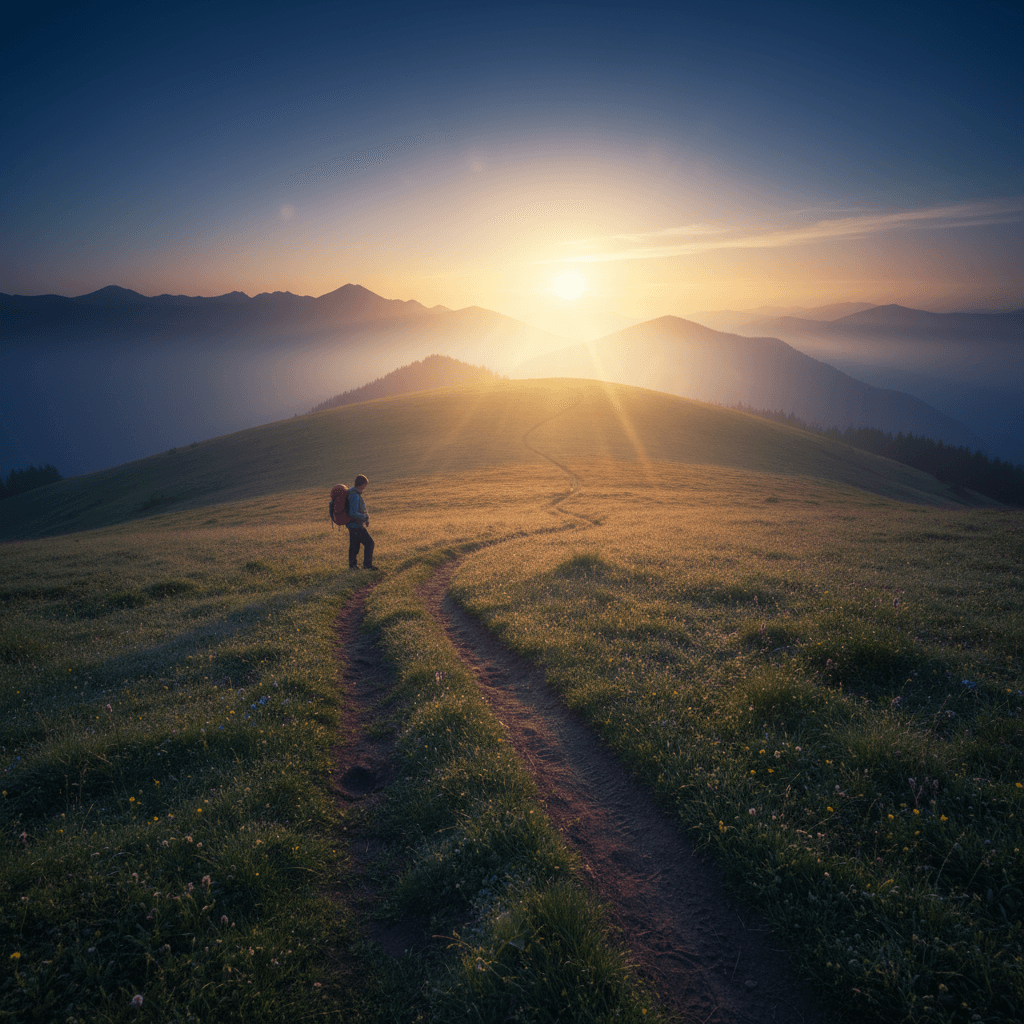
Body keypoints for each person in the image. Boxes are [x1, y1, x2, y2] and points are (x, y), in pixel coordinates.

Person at [346, 474, 376, 570]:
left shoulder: (353, 493)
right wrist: (365, 517)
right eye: (365, 484)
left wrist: (365, 519)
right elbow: (353, 513)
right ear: (362, 484)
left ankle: (353, 566)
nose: (365, 487)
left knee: (354, 546)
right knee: (370, 543)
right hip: (356, 525)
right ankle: (367, 566)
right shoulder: (354, 495)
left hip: (353, 525)